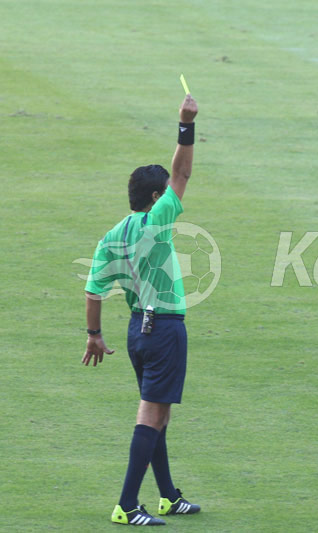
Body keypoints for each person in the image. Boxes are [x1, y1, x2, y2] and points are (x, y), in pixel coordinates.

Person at [82, 94, 201, 526]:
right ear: (155, 196)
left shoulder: (112, 235)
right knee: (152, 414)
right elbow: (182, 172)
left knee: (159, 412)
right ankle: (127, 504)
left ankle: (168, 496)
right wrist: (186, 124)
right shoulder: (157, 221)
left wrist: (94, 335)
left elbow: (94, 291)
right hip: (164, 328)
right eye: (164, 191)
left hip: (137, 330)